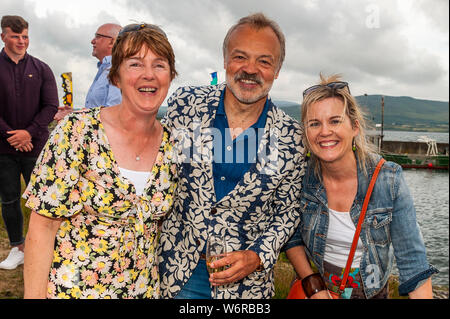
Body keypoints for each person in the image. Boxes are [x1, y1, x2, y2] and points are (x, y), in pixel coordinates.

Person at [23, 23, 178, 299]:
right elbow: (43, 226)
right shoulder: (78, 131)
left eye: (159, 65)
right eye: (135, 64)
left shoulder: (173, 145)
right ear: (115, 76)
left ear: (170, 75)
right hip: (75, 291)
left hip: (143, 290)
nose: (149, 75)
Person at [158, 13, 306, 299]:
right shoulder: (185, 104)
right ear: (225, 61)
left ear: (277, 70)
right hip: (174, 275)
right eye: (240, 57)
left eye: (264, 61)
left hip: (245, 289)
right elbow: (159, 169)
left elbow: (288, 212)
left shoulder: (292, 137)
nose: (250, 70)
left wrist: (259, 255)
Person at [283, 74, 438, 299]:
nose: (325, 131)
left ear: (354, 127)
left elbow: (413, 263)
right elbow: (292, 235)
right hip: (314, 288)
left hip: (370, 292)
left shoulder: (388, 179)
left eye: (335, 121)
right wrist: (313, 285)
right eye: (314, 123)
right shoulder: (301, 176)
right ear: (306, 133)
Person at [0, 15, 58, 270]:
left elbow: (51, 106)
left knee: (45, 199)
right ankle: (18, 248)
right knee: (10, 199)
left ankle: (47, 248)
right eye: (16, 36)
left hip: (36, 147)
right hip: (3, 148)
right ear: (3, 36)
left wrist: (29, 133)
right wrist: (12, 136)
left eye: (25, 36)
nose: (22, 41)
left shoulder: (42, 68)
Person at [54, 23, 122, 121]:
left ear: (112, 42)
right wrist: (73, 113)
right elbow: (97, 111)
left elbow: (114, 111)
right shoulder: (104, 69)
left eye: (97, 37)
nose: (92, 41)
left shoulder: (118, 69)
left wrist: (74, 117)